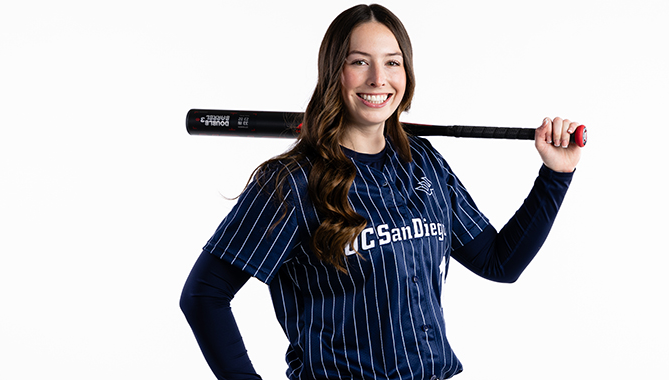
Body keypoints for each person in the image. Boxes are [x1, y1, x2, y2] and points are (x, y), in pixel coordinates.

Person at [180, 4, 582, 380]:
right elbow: (204, 296)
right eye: (359, 62)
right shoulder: (293, 182)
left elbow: (500, 263)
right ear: (334, 72)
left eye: (392, 63)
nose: (378, 79)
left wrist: (556, 174)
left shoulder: (422, 162)